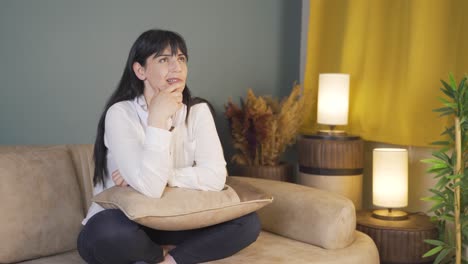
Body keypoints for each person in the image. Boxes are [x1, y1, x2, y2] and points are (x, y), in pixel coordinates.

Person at [77, 29, 261, 264]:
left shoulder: (198, 112)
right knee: (107, 232)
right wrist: (157, 119)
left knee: (248, 222)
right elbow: (151, 190)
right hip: (125, 222)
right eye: (164, 59)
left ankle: (171, 260)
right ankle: (156, 253)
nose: (176, 67)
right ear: (140, 70)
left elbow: (216, 177)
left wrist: (166, 177)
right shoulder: (120, 114)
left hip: (175, 220)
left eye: (181, 59)